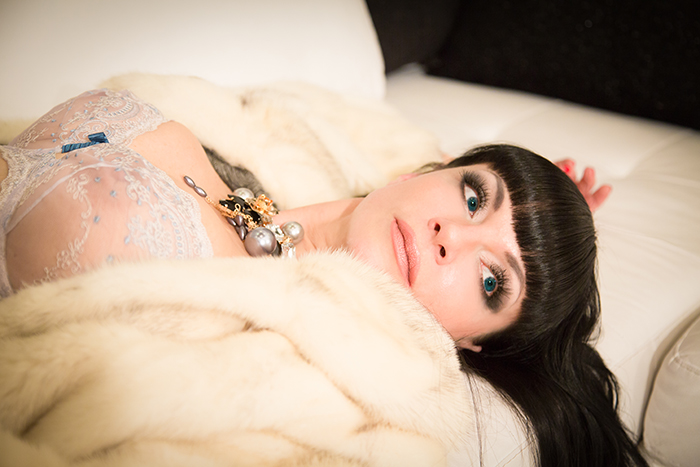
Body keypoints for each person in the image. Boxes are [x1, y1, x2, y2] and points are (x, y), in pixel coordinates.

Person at [0, 89, 644, 466]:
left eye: (492, 281)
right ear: (424, 173)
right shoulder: (260, 180)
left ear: (471, 343)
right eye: (473, 198)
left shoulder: (277, 365)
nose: (452, 235)